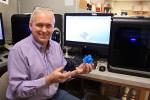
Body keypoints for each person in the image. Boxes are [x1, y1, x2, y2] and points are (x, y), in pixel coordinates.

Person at [6, 7, 93, 100]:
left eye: (48, 26)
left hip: (54, 95)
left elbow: (62, 74)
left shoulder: (56, 46)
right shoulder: (18, 51)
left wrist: (76, 72)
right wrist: (48, 80)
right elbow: (17, 90)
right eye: (39, 25)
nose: (44, 30)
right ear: (30, 26)